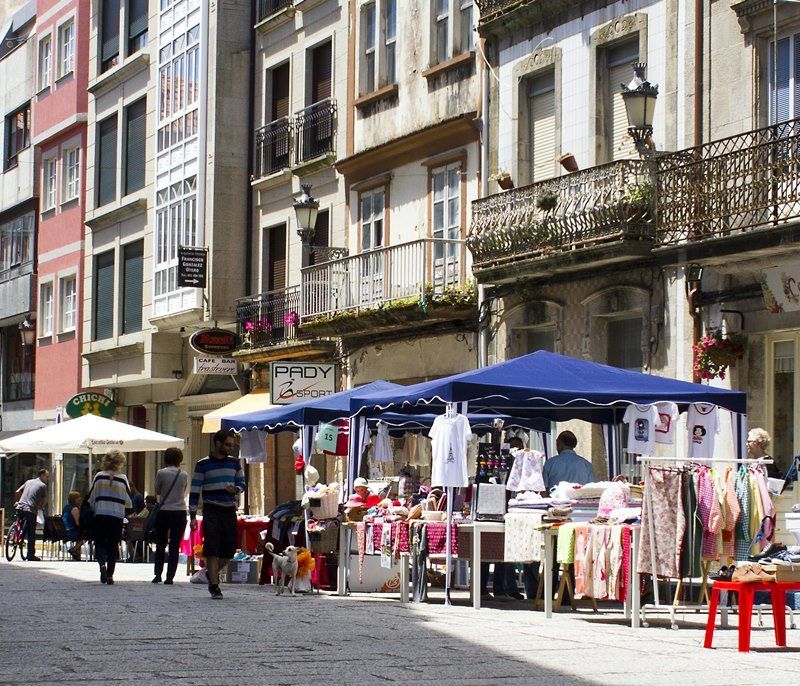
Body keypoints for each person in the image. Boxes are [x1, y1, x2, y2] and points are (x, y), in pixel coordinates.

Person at [190, 429, 245, 599]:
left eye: (232, 445)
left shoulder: (235, 463)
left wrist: (236, 489)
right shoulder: (202, 464)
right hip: (211, 509)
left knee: (229, 550)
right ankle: (214, 586)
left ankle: (209, 574)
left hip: (229, 510)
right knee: (212, 547)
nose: (230, 448)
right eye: (227, 445)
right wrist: (192, 515)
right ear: (217, 443)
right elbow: (194, 490)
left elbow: (242, 483)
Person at [89, 450, 132, 585]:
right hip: (116, 515)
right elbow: (128, 501)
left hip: (101, 514)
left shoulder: (99, 476)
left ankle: (102, 564)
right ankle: (109, 575)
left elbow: (91, 497)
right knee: (113, 544)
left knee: (100, 542)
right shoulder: (123, 478)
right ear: (120, 463)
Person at [152, 447, 189, 585]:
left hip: (164, 511)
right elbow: (183, 490)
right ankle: (170, 577)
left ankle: (158, 574)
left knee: (161, 544)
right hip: (180, 511)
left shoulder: (161, 473)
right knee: (174, 545)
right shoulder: (184, 474)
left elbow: (157, 490)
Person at [15, 469, 49, 561]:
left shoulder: (28, 481)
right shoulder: (43, 485)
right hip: (30, 510)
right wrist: (41, 507)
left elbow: (17, 492)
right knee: (31, 533)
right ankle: (30, 555)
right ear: (42, 475)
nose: (47, 479)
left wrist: (18, 501)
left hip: (20, 507)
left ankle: (15, 536)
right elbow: (45, 500)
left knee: (19, 523)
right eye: (46, 476)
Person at [61, 491, 85, 561]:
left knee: (80, 534)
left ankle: (76, 555)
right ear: (74, 500)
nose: (80, 501)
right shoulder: (75, 509)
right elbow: (78, 523)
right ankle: (74, 549)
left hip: (64, 532)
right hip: (70, 532)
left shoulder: (65, 507)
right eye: (78, 499)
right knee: (85, 536)